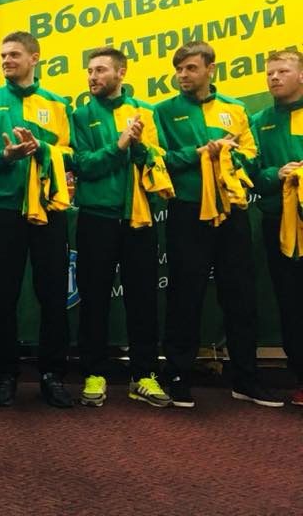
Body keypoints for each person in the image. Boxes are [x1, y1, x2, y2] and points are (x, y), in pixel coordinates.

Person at [155, 42, 282, 408]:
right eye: (179, 69)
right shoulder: (163, 111)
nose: (183, 75)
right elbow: (159, 159)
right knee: (185, 295)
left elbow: (253, 158)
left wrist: (229, 154)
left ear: (210, 69)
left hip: (232, 212)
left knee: (240, 295)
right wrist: (197, 154)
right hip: (188, 211)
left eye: (191, 68)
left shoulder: (235, 109)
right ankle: (176, 375)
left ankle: (246, 379)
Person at [0, 30, 74, 408]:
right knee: (2, 295)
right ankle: (5, 374)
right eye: (3, 56)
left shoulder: (58, 104)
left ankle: (52, 374)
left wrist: (43, 149)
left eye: (14, 54)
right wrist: (5, 156)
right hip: (3, 210)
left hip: (48, 211)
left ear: (34, 58)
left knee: (53, 294)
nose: (6, 61)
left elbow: (72, 154)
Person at [70, 47, 171, 408]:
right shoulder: (80, 115)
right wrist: (119, 145)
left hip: (138, 219)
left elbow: (159, 160)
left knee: (143, 299)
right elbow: (82, 164)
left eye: (100, 70)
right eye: (90, 71)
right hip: (96, 217)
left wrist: (140, 147)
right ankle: (94, 373)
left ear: (121, 73)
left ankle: (143, 375)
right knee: (94, 298)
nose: (93, 77)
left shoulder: (146, 112)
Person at [252, 50, 303, 408]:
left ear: (301, 76)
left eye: (283, 71)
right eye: (270, 73)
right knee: (291, 303)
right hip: (279, 225)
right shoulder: (260, 121)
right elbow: (251, 174)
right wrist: (276, 174)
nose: (274, 78)